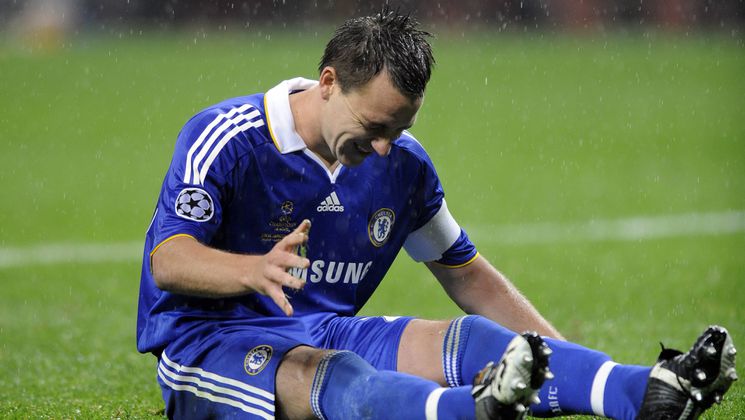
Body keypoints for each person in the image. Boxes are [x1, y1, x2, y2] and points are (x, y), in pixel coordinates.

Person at [137, 9, 737, 420]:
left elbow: (468, 275)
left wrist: (553, 364)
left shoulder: (402, 164)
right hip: (209, 343)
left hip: (323, 328)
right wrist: (252, 270)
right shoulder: (228, 138)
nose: (383, 148)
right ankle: (472, 411)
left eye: (398, 130)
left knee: (473, 340)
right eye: (374, 126)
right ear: (328, 83)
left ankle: (651, 389)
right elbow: (169, 260)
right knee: (339, 378)